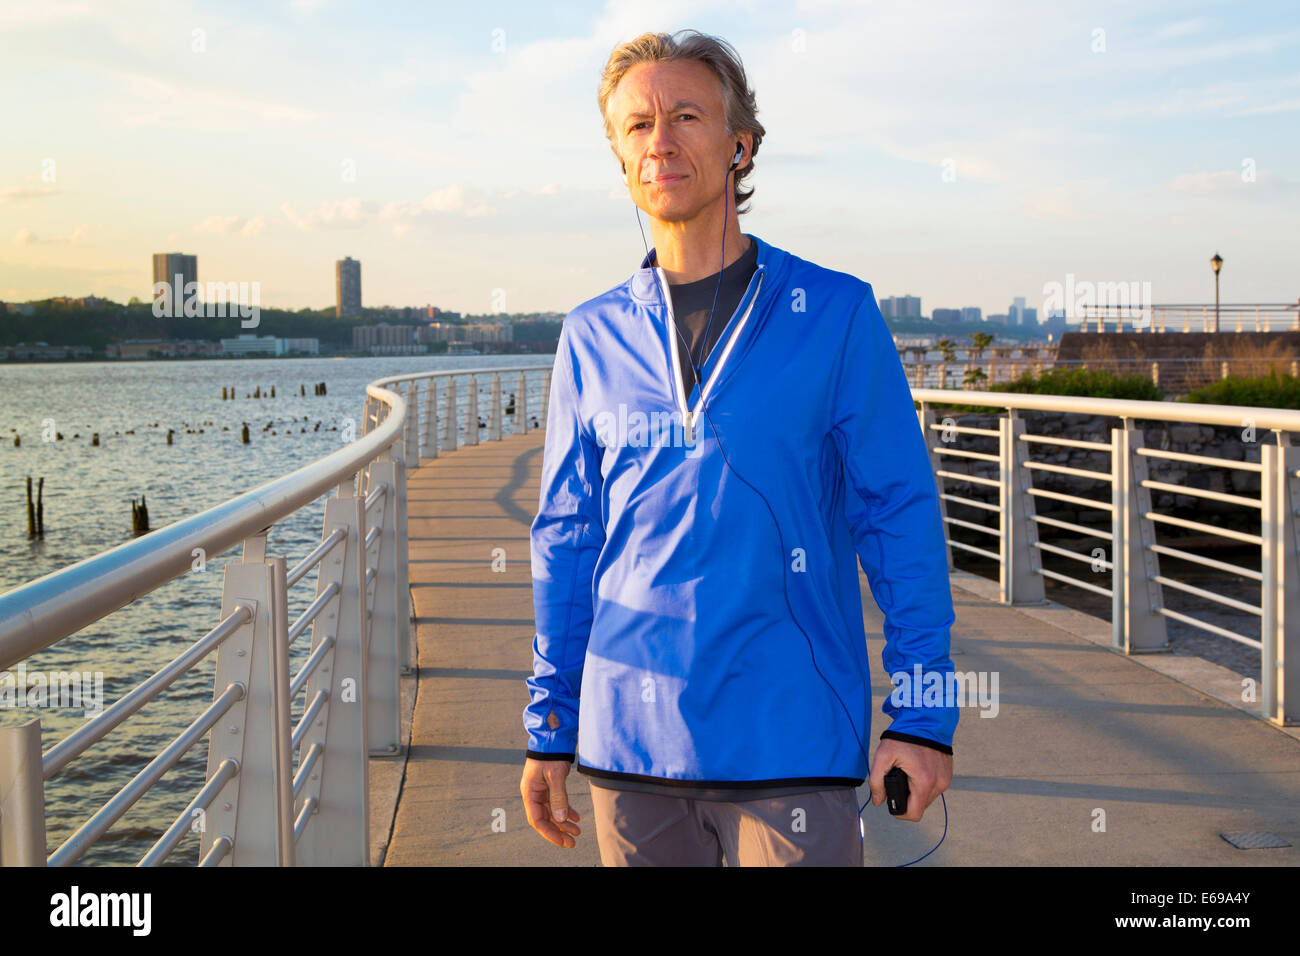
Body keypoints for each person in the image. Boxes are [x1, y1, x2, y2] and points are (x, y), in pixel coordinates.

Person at [519, 29, 957, 866]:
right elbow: (567, 542)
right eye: (638, 125)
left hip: (790, 743)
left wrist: (924, 716)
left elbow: (897, 515)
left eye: (686, 114)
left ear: (740, 146)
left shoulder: (833, 314)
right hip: (630, 747)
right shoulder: (591, 335)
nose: (662, 141)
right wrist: (549, 727)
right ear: (618, 154)